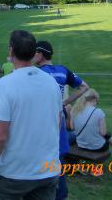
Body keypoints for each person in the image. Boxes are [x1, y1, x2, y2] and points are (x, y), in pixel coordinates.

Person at [0, 30, 61, 199]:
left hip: (13, 173)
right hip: (47, 169)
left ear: (11, 51)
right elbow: (57, 122)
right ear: (33, 53)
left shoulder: (5, 85)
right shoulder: (50, 81)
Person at [34, 41, 89, 200]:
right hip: (59, 118)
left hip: (43, 120)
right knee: (59, 159)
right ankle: (61, 194)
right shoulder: (62, 70)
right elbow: (84, 87)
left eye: (35, 52)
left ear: (41, 54)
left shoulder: (37, 73)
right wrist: (65, 102)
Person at [69, 89, 112, 156]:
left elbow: (72, 127)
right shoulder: (98, 112)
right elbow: (103, 133)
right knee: (107, 134)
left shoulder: (74, 110)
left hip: (81, 145)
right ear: (95, 99)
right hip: (98, 147)